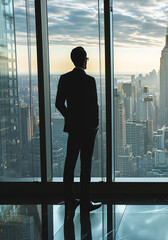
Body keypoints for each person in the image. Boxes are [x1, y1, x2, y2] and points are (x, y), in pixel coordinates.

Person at [55, 46, 101, 216]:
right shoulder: (90, 81)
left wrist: (70, 117)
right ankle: (85, 201)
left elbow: (59, 104)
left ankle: (69, 199)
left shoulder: (65, 79)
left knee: (70, 163)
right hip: (88, 129)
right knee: (85, 165)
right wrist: (95, 125)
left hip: (73, 129)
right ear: (84, 60)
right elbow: (94, 106)